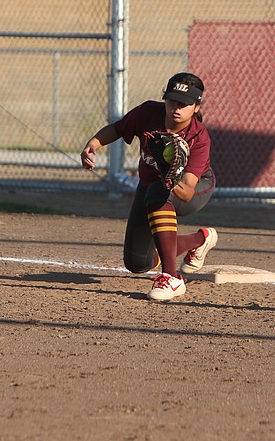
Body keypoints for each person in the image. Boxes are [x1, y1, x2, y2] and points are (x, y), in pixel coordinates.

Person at [80, 72, 218, 301]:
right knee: (137, 262)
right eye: (173, 100)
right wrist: (93, 143)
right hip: (151, 185)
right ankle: (201, 239)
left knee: (158, 190)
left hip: (194, 188)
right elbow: (118, 128)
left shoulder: (198, 137)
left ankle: (172, 278)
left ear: (196, 107)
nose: (177, 107)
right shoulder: (148, 113)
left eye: (185, 103)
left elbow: (187, 191)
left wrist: (170, 175)